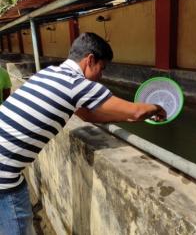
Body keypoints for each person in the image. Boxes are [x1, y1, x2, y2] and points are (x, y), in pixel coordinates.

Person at [0, 32, 166, 235]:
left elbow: (87, 115)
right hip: (3, 179)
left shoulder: (49, 73)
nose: (101, 77)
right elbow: (137, 111)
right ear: (90, 59)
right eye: (101, 69)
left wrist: (125, 117)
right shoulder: (77, 84)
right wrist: (158, 107)